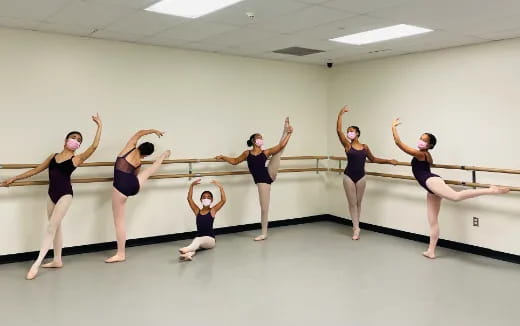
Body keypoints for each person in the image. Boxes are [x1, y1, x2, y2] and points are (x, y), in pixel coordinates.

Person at [391, 118, 509, 259]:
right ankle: (431, 251)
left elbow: (399, 143)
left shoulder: (421, 154)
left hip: (431, 182)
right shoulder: (426, 155)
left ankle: (491, 190)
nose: (420, 141)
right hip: (430, 187)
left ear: (430, 145)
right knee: (432, 220)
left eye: (424, 140)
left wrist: (393, 127)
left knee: (456, 197)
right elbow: (428, 165)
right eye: (420, 138)